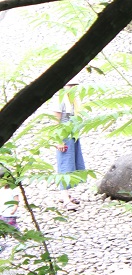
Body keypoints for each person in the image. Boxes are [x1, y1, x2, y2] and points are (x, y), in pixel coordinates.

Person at [55, 80, 85, 209]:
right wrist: (58, 141)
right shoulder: (60, 100)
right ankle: (65, 197)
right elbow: (55, 122)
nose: (72, 88)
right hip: (64, 136)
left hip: (74, 134)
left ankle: (65, 195)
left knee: (73, 164)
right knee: (65, 166)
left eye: (74, 86)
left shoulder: (73, 101)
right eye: (70, 86)